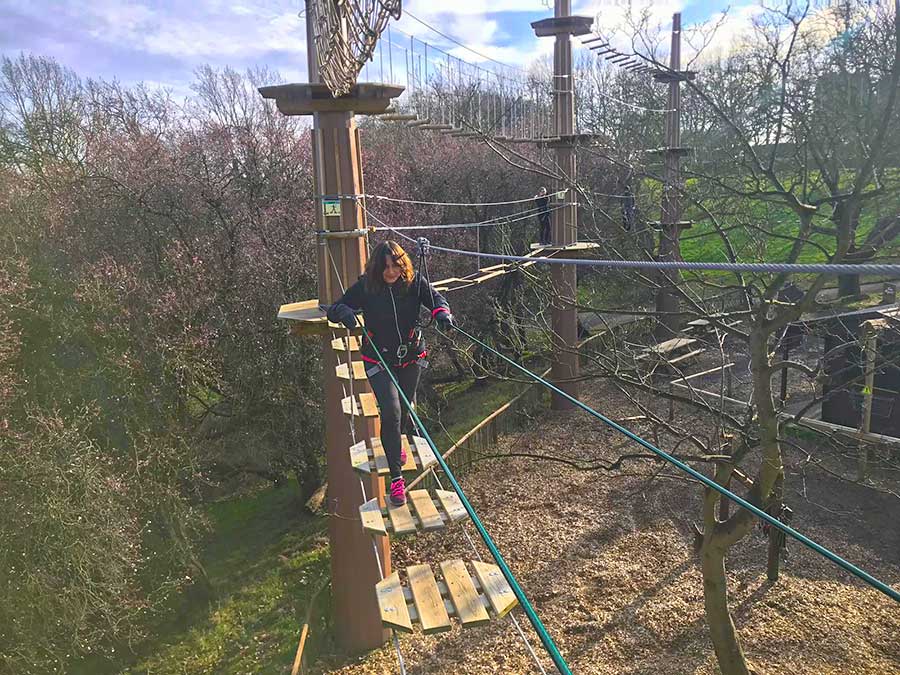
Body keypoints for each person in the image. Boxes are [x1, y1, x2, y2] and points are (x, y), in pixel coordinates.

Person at [327, 240, 453, 506]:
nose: (391, 272)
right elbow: (335, 309)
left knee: (404, 411)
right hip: (378, 358)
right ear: (377, 266)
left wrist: (442, 314)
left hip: (411, 355)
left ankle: (395, 445)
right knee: (392, 411)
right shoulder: (366, 287)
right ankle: (397, 479)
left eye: (395, 266)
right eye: (385, 267)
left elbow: (436, 299)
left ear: (402, 264)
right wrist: (347, 314)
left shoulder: (414, 282)